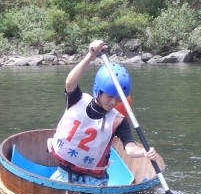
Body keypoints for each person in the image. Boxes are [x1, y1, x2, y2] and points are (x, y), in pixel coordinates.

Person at [48, 39, 158, 185]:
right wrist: (90, 55)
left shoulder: (119, 120)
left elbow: (130, 148)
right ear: (99, 91)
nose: (113, 102)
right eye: (110, 96)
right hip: (65, 172)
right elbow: (70, 82)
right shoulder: (77, 100)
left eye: (118, 98)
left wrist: (143, 152)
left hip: (95, 179)